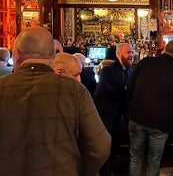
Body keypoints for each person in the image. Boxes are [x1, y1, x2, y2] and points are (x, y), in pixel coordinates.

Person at [0, 27, 110, 175]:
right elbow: (100, 146)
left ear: (17, 54)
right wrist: (78, 170)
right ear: (53, 55)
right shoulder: (74, 90)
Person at [127, 40, 173, 176]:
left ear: (164, 49)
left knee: (135, 157)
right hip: (160, 123)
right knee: (154, 160)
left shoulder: (145, 62)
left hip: (137, 117)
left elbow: (129, 87)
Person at [94, 43, 134, 176]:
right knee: (106, 144)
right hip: (107, 112)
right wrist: (125, 91)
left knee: (115, 141)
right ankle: (104, 170)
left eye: (132, 52)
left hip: (119, 113)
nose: (131, 55)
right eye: (128, 52)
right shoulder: (108, 70)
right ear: (119, 54)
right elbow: (108, 91)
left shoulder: (129, 70)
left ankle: (113, 166)